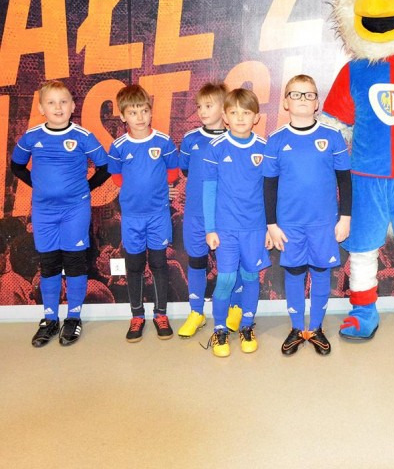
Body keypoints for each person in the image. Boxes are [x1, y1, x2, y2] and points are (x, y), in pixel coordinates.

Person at [11, 80, 110, 346]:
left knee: (75, 262)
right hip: (44, 212)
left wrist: (85, 188)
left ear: (73, 106)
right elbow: (16, 167)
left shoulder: (83, 136)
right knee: (49, 264)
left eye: (63, 101)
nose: (58, 107)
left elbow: (105, 167)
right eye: (51, 102)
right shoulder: (31, 137)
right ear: (41, 108)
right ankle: (50, 320)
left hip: (75, 211)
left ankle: (73, 318)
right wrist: (39, 185)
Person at [264, 75, 351, 356]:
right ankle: (295, 329)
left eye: (309, 94)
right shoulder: (276, 140)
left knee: (321, 271)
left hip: (323, 223)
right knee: (294, 272)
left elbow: (345, 180)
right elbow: (269, 185)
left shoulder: (332, 136)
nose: (303, 99)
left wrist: (345, 218)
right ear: (286, 102)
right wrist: (271, 225)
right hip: (289, 224)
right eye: (296, 94)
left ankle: (315, 329)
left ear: (317, 103)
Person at [203, 88, 271, 357]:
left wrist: (270, 227)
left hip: (255, 228)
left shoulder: (264, 148)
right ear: (225, 116)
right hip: (226, 229)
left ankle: (246, 325)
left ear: (256, 117)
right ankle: (219, 329)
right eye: (234, 112)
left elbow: (271, 191)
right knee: (227, 278)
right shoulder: (216, 147)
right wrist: (210, 229)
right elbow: (209, 190)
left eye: (246, 112)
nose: (240, 118)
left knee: (251, 276)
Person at [108, 84, 179, 342]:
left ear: (151, 112)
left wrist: (161, 189)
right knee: (135, 266)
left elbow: (173, 171)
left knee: (159, 264)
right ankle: (137, 315)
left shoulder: (163, 142)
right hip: (132, 218)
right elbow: (116, 176)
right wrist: (134, 192)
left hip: (158, 216)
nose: (139, 117)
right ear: (123, 116)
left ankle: (161, 314)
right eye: (133, 112)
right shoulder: (118, 146)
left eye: (144, 111)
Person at [176, 82, 243, 338]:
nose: (202, 111)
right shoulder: (190, 139)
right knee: (196, 261)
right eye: (199, 106)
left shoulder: (235, 139)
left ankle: (235, 308)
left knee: (231, 264)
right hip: (195, 214)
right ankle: (197, 312)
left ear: (224, 107)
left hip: (226, 216)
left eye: (208, 105)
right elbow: (185, 170)